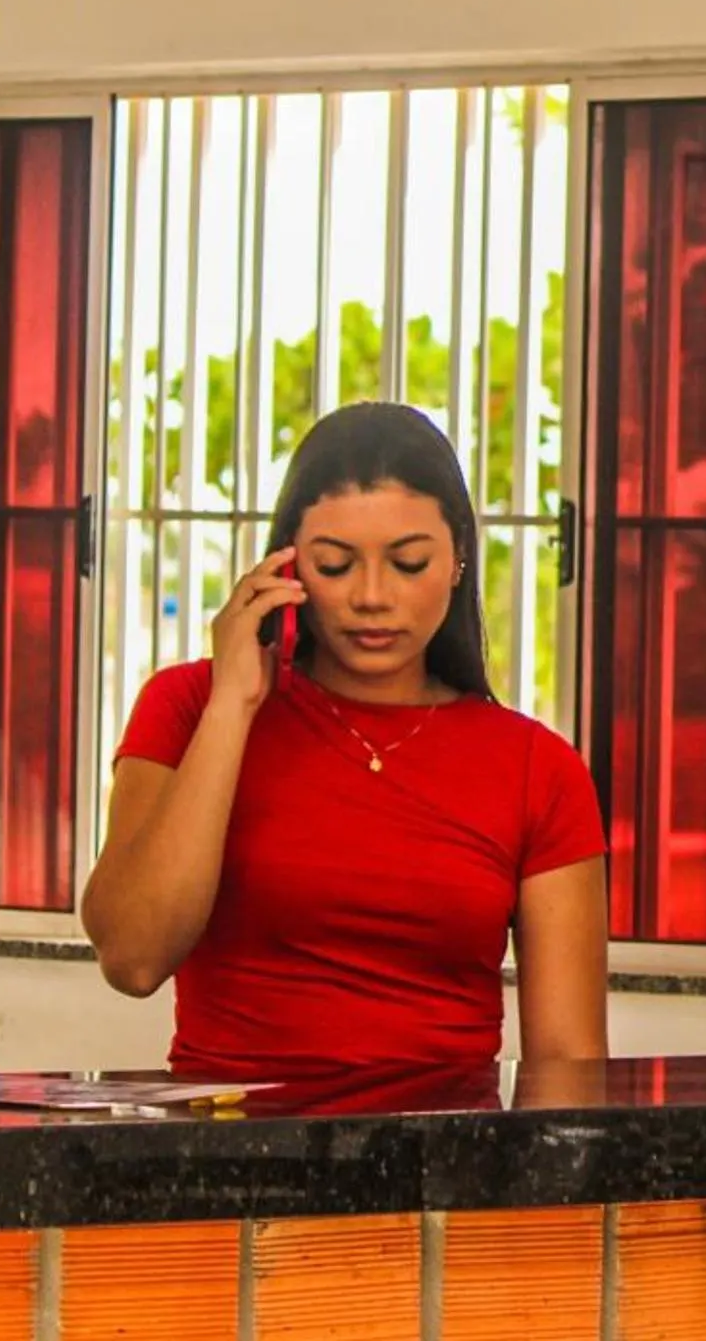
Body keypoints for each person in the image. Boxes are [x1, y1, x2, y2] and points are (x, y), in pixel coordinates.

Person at [83, 403, 608, 1079]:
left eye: (409, 562)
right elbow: (132, 955)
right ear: (287, 565)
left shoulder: (538, 768)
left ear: (457, 562)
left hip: (443, 1169)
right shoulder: (189, 706)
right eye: (334, 565)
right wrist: (234, 703)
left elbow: (569, 1067)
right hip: (227, 1157)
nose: (371, 595)